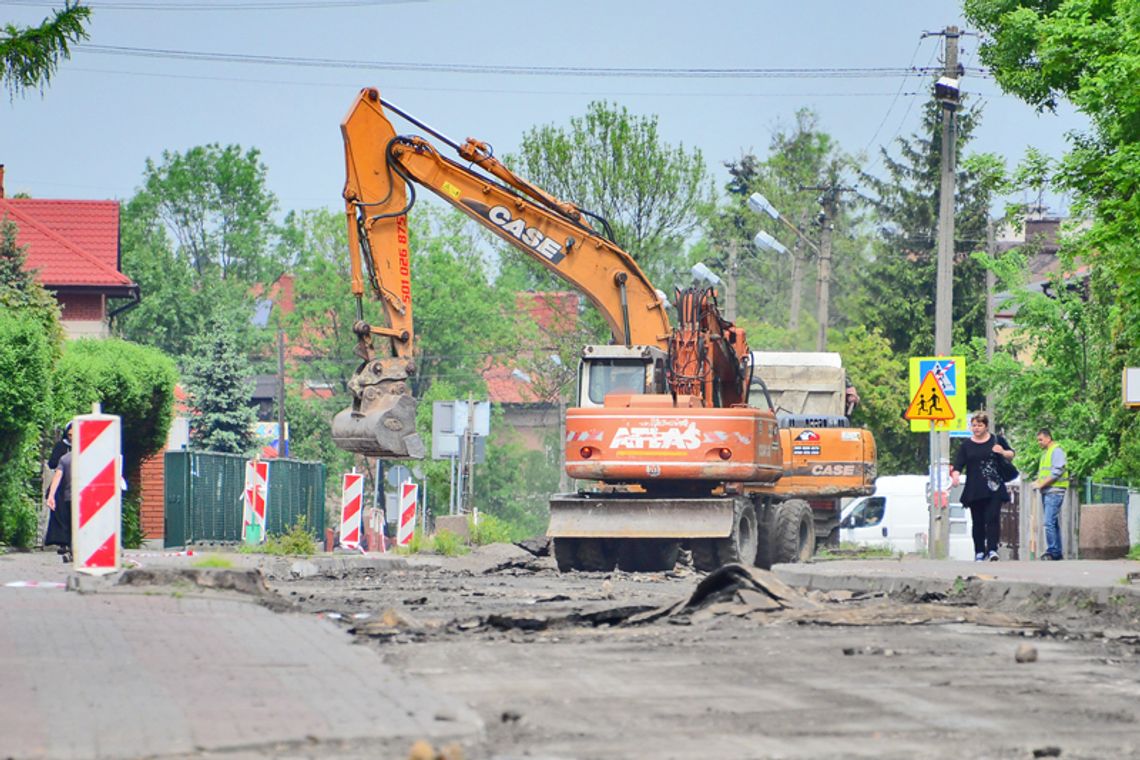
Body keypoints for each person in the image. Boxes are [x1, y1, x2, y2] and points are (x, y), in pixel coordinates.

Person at [950, 412, 1015, 562]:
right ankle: (979, 551)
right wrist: (955, 475)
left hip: (994, 487)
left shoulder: (996, 440)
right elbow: (959, 464)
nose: (976, 428)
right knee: (977, 521)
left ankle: (992, 549)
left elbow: (1011, 454)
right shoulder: (966, 445)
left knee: (992, 518)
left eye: (980, 425)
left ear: (986, 426)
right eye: (974, 425)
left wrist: (1003, 452)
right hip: (975, 488)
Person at [1034, 428, 1068, 561]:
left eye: (1041, 439)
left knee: (1048, 522)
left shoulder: (1056, 451)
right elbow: (1044, 474)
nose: (1039, 442)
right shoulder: (1046, 453)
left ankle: (1053, 551)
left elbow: (1056, 472)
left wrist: (1041, 484)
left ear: (1048, 438)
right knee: (1052, 522)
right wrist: (1037, 482)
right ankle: (1056, 551)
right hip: (1048, 490)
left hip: (1055, 490)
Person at [44, 449, 73, 563]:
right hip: (87, 498)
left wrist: (51, 495)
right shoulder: (93, 457)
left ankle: (71, 551)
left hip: (69, 497)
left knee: (71, 524)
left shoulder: (65, 458)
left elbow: (58, 476)